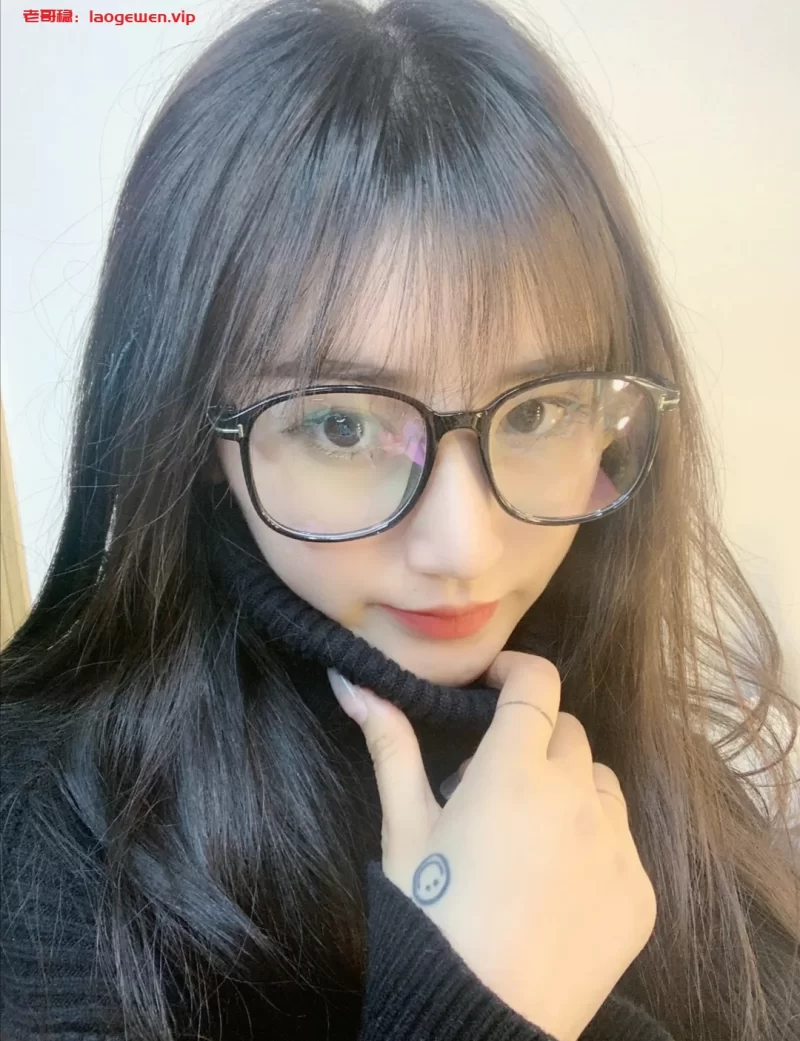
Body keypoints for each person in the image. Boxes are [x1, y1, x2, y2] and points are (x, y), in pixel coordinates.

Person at [1, 0, 798, 1038]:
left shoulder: (681, 786)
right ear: (193, 433)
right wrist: (475, 1005)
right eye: (340, 424)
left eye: (539, 411)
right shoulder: (45, 858)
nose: (465, 547)